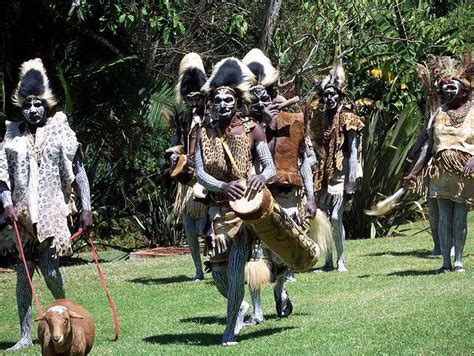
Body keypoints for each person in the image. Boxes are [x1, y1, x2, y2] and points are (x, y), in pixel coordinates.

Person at [0, 58, 93, 350]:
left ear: (46, 104)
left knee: (51, 270)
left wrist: (87, 208)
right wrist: (6, 204)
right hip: (23, 215)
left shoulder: (60, 130)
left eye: (37, 104)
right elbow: (2, 175)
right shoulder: (11, 134)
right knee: (24, 276)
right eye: (27, 105)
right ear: (21, 107)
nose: (32, 110)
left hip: (53, 212)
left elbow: (79, 171)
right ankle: (27, 335)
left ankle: (66, 319)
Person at [195, 57, 276, 345]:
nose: (223, 104)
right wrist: (222, 185)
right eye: (217, 100)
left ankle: (229, 328)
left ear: (237, 101)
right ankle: (238, 304)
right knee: (219, 275)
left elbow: (270, 166)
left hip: (244, 212)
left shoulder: (253, 130)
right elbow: (200, 173)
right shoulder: (203, 134)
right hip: (217, 211)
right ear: (211, 103)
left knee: (235, 266)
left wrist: (260, 178)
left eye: (228, 99)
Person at [241, 48, 317, 324]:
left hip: (286, 196)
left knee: (284, 252)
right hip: (254, 197)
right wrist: (259, 121)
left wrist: (310, 196)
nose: (262, 100)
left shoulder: (293, 121)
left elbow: (305, 160)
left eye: (266, 95)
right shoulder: (243, 127)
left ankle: (281, 288)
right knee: (255, 255)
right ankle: (258, 311)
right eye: (255, 97)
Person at [404, 52, 473, 273]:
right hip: (440, 171)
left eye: (453, 87)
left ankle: (459, 260)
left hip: (464, 172)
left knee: (459, 217)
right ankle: (445, 261)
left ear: (464, 90)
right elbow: (428, 148)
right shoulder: (438, 113)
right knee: (443, 217)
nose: (447, 91)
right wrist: (415, 172)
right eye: (445, 88)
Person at [306, 59, 365, 272]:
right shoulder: (319, 119)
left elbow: (353, 153)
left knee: (335, 216)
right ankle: (328, 261)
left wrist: (350, 184)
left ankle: (341, 260)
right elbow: (313, 145)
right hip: (323, 173)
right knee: (321, 218)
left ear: (340, 95)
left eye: (333, 94)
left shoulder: (349, 118)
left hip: (341, 174)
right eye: (327, 95)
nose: (330, 98)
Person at [165, 53, 208, 281]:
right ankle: (198, 269)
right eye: (189, 98)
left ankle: (215, 262)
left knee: (204, 225)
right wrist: (173, 154)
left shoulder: (212, 114)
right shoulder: (183, 117)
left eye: (197, 97)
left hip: (207, 176)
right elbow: (177, 141)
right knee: (189, 225)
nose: (193, 101)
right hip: (187, 176)